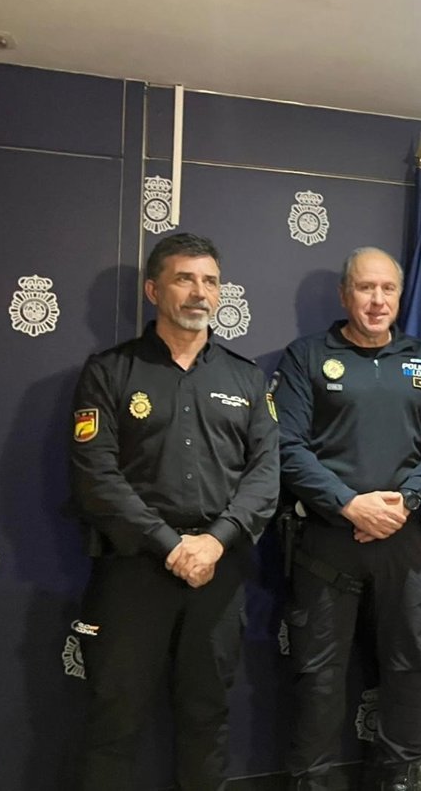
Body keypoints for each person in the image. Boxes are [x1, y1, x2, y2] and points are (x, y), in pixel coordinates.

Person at [69, 232, 280, 791]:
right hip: (133, 571)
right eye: (184, 279)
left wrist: (215, 541)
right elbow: (97, 478)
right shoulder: (110, 372)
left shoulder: (246, 377)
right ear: (153, 290)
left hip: (218, 571)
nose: (199, 292)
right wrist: (171, 545)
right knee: (114, 721)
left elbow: (266, 475)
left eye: (210, 281)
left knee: (207, 718)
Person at [273, 246, 421, 791]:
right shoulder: (307, 356)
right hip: (329, 541)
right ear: (344, 294)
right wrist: (348, 503)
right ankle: (311, 783)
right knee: (319, 678)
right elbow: (287, 445)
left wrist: (407, 500)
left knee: (409, 669)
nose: (377, 300)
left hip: (407, 539)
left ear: (399, 297)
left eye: (387, 289)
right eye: (365, 288)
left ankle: (399, 779)